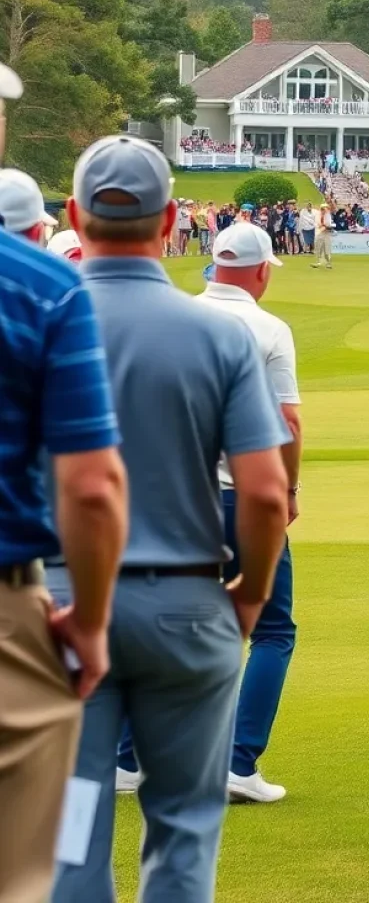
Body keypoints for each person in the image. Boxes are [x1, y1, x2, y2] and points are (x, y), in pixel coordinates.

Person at [51, 135, 291, 903]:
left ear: (73, 215)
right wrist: (250, 596)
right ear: (170, 223)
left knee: (71, 834)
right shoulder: (221, 333)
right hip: (187, 609)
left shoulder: (35, 324)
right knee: (184, 832)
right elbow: (262, 492)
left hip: (57, 607)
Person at [119, 224, 303, 804]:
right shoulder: (270, 328)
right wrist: (289, 490)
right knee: (272, 630)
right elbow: (289, 424)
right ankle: (236, 763)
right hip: (243, 497)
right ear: (262, 271)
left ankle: (127, 760)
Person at [0, 144, 127, 903]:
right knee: (25, 869)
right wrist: (90, 618)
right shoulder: (46, 287)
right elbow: (89, 485)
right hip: (10, 599)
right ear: (46, 229)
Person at [311, 204, 334, 270]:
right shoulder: (317, 215)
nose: (323, 211)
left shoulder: (328, 215)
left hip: (326, 234)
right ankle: (318, 262)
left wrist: (324, 226)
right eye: (322, 209)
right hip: (319, 233)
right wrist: (319, 226)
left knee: (327, 249)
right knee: (318, 249)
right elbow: (315, 223)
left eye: (324, 209)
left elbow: (328, 224)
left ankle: (328, 263)